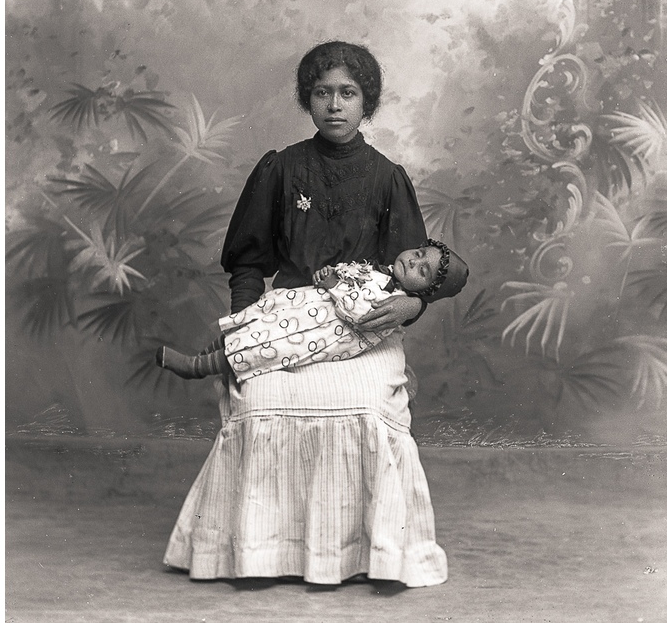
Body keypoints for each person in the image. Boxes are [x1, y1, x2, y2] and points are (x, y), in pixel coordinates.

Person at [163, 41, 456, 587]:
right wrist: (248, 333)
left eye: (348, 93)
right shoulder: (281, 169)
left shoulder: (387, 177)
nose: (335, 105)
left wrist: (412, 305)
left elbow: (417, 275)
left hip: (362, 329)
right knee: (263, 401)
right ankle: (260, 553)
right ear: (307, 99)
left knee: (367, 406)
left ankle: (373, 552)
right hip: (288, 318)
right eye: (322, 92)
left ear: (367, 102)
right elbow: (248, 263)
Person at [155, 240, 469, 383]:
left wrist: (335, 285)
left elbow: (358, 313)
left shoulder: (396, 304)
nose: (413, 261)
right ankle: (201, 355)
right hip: (310, 308)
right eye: (418, 253)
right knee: (258, 320)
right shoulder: (382, 271)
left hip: (325, 332)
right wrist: (333, 273)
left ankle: (196, 367)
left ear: (425, 291)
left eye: (422, 270)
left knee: (266, 344)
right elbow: (352, 273)